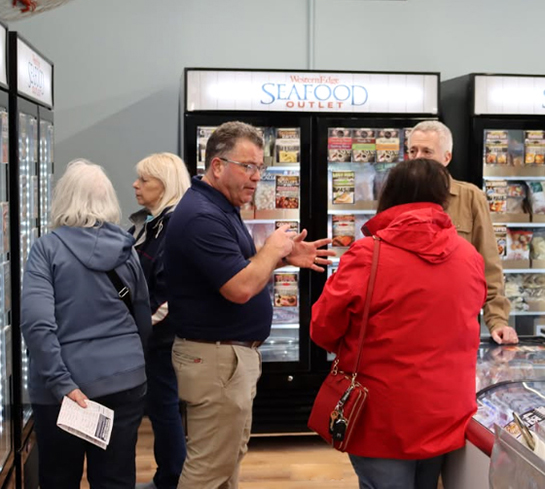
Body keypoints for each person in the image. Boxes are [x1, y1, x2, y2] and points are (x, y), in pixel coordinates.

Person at [165, 121, 333, 489]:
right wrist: (273, 249)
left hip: (226, 360)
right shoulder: (202, 216)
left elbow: (234, 269)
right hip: (216, 361)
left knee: (226, 463)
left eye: (261, 167)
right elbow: (240, 287)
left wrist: (283, 258)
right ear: (217, 166)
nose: (257, 177)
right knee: (208, 470)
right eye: (249, 166)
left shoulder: (219, 206)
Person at [311, 158, 487, 489]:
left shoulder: (367, 255)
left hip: (380, 413)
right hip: (445, 409)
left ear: (389, 194)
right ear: (443, 199)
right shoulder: (469, 256)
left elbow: (322, 327)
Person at [21, 159, 151, 489]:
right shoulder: (127, 248)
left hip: (63, 391)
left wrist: (61, 383)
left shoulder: (46, 250)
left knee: (59, 477)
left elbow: (37, 325)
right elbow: (141, 316)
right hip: (124, 382)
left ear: (63, 198)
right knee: (116, 479)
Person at [408, 120, 518, 345]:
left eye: (427, 151)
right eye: (413, 150)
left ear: (446, 158)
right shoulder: (397, 196)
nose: (418, 157)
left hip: (456, 326)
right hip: (408, 324)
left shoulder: (471, 197)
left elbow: (488, 263)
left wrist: (497, 321)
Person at [130, 153, 191, 489]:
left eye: (144, 180)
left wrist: (135, 328)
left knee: (164, 409)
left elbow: (167, 296)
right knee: (162, 409)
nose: (136, 186)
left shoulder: (171, 227)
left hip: (163, 337)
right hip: (157, 335)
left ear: (164, 186)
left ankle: (170, 478)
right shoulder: (154, 222)